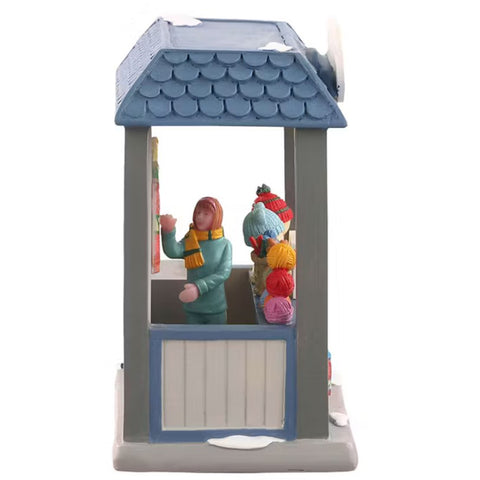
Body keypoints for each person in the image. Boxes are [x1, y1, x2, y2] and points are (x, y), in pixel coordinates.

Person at [160, 197, 232, 324]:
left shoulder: (225, 244)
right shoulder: (191, 239)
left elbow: (223, 273)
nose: (199, 217)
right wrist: (168, 232)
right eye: (198, 212)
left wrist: (198, 287)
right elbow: (173, 251)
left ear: (216, 217)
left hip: (215, 308)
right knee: (192, 336)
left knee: (218, 336)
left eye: (206, 214)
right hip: (193, 308)